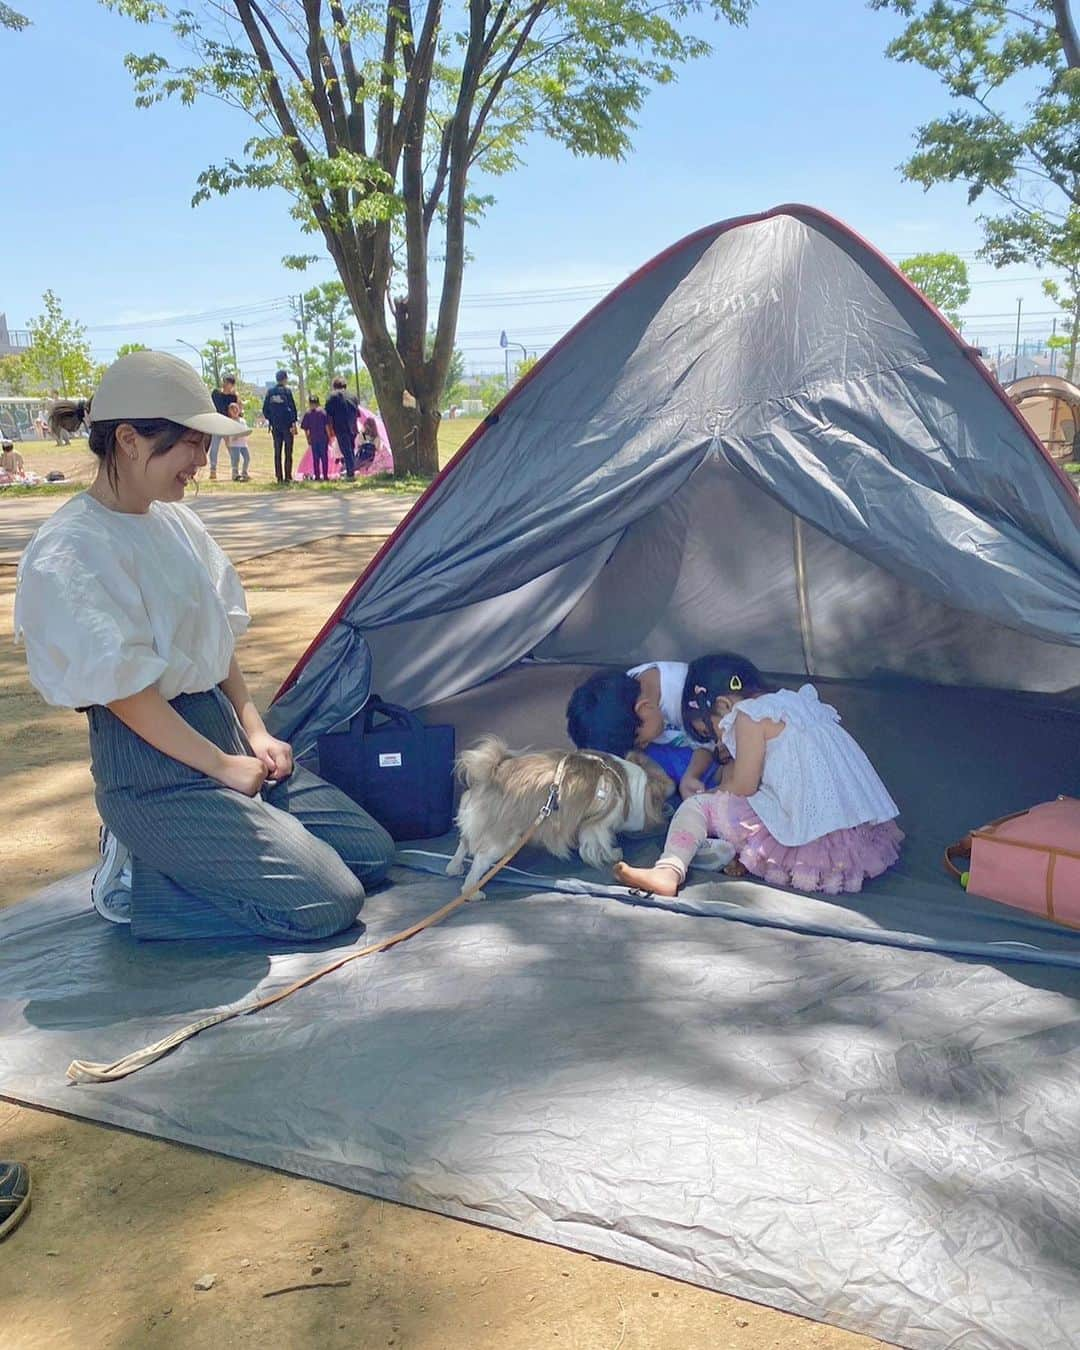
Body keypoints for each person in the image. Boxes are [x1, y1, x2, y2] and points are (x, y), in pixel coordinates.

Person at [14, 350, 394, 942]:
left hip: (221, 731)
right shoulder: (71, 549)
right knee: (329, 902)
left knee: (372, 854)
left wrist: (256, 732)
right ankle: (142, 882)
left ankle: (214, 851)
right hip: (151, 765)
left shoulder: (176, 523)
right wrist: (219, 767)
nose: (202, 459)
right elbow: (125, 695)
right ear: (132, 441)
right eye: (190, 443)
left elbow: (216, 643)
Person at [614, 652, 903, 896]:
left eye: (712, 729)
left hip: (806, 838)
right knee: (738, 802)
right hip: (852, 833)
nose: (718, 740)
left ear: (724, 706)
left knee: (698, 807)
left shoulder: (747, 717)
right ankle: (717, 850)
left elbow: (744, 785)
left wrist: (711, 795)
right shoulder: (798, 702)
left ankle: (668, 870)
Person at [567, 662, 717, 801]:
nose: (644, 746)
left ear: (644, 708)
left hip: (708, 749)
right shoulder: (627, 696)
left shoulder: (690, 703)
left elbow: (709, 746)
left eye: (641, 742)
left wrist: (691, 776)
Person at [262, 369, 299, 483]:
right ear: (285, 379)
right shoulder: (287, 392)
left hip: (275, 426)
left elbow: (265, 409)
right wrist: (293, 423)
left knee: (277, 452)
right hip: (287, 426)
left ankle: (279, 477)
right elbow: (292, 409)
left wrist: (271, 419)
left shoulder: (270, 392)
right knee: (288, 452)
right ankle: (288, 476)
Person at [324, 376, 358, 479]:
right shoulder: (353, 396)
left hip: (340, 426)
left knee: (346, 450)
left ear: (334, 386)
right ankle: (351, 470)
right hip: (352, 426)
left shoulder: (332, 397)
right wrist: (355, 427)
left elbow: (328, 415)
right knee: (351, 449)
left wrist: (330, 430)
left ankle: (350, 474)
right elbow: (357, 413)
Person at [208, 374, 238, 481]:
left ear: (232, 385)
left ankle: (235, 471)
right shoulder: (216, 393)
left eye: (228, 383)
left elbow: (235, 411)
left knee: (232, 449)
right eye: (224, 381)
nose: (225, 384)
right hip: (216, 424)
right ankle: (213, 471)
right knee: (214, 449)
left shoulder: (233, 397)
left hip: (228, 425)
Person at [300, 394, 331, 481]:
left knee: (315, 458)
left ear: (310, 403)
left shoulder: (308, 414)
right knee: (324, 457)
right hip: (323, 438)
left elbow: (306, 429)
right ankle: (325, 476)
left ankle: (317, 476)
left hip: (314, 439)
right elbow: (327, 426)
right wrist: (329, 437)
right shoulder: (323, 413)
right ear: (318, 403)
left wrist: (308, 439)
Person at [226, 400, 251, 481]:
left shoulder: (242, 421)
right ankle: (235, 474)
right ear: (230, 412)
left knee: (247, 458)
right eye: (233, 410)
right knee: (235, 460)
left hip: (243, 444)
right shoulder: (230, 422)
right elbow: (231, 433)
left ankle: (244, 473)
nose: (235, 411)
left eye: (236, 409)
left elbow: (246, 430)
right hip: (234, 444)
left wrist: (246, 433)